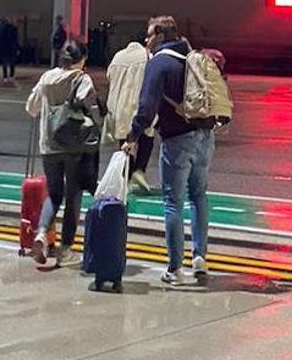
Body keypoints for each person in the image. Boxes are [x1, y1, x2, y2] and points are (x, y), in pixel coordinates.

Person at [124, 15, 217, 286]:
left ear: (162, 36)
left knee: (173, 202)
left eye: (150, 34)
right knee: (199, 195)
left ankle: (175, 268)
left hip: (177, 139)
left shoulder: (160, 63)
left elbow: (147, 105)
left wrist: (134, 134)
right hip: (205, 135)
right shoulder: (194, 58)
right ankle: (199, 256)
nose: (146, 40)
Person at [24, 39, 103, 267]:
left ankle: (41, 233)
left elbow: (31, 108)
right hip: (74, 145)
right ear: (82, 59)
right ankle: (66, 249)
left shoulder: (47, 78)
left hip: (49, 145)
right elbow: (89, 105)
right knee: (73, 195)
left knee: (54, 194)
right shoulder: (81, 78)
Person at [106, 38, 154, 194]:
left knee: (124, 141)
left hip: (117, 105)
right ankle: (139, 169)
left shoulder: (117, 56)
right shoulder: (147, 56)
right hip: (138, 104)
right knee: (147, 135)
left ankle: (128, 173)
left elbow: (109, 76)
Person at [0, 16, 20, 84]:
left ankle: (5, 77)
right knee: (12, 62)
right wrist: (17, 48)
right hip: (11, 48)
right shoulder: (13, 29)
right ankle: (11, 76)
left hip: (4, 48)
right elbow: (15, 40)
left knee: (4, 63)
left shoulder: (1, 28)